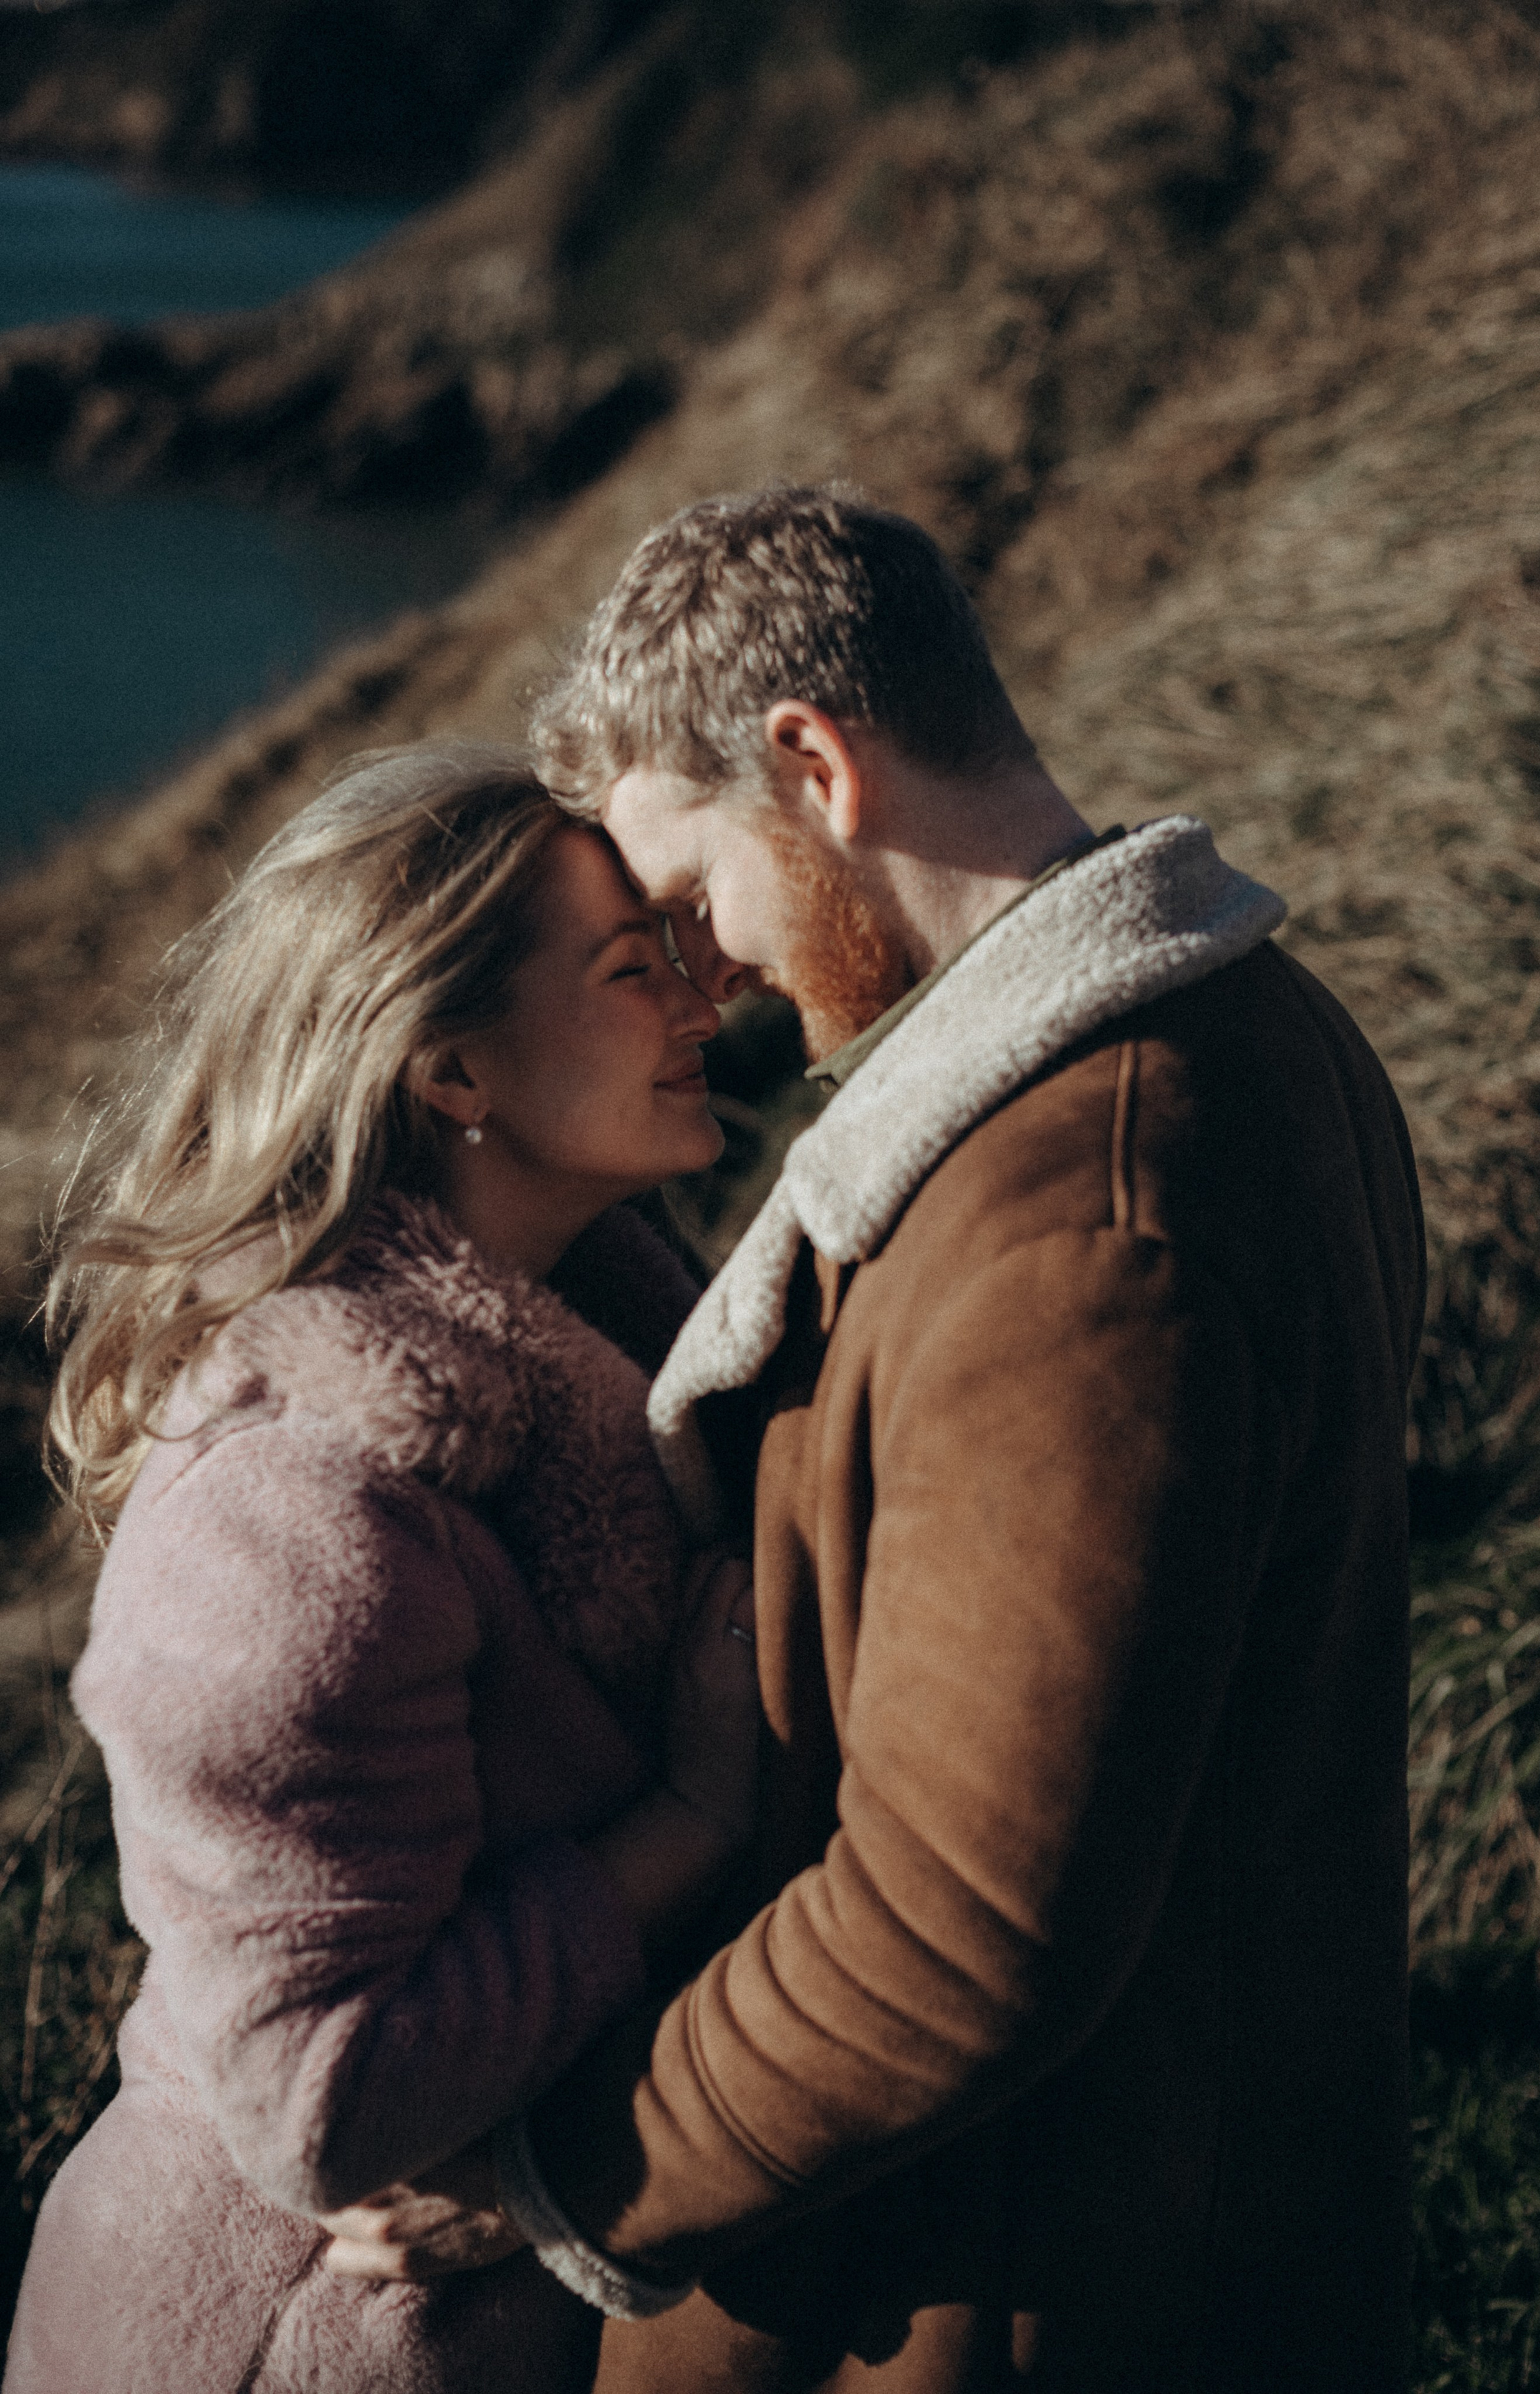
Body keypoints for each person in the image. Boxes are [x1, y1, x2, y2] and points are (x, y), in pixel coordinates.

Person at [317, 486, 1427, 2393]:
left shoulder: (1084, 1230)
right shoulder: (1251, 1030)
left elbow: (956, 1925)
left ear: (813, 765)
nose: (706, 976)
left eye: (687, 902)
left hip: (994, 2294)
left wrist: (561, 2172)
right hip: (1108, 2219)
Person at [4, 744, 763, 2394]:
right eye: (634, 969)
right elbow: (317, 2108)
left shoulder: (621, 1340)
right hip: (277, 2337)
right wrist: (694, 1823)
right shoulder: (299, 1513)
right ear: (454, 1074)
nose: (705, 995)